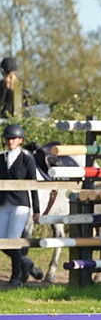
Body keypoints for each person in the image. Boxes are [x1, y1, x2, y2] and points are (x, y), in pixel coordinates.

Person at [0, 123, 40, 286]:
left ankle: (16, 276)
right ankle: (26, 262)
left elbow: (34, 185)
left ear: (20, 140)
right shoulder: (1, 158)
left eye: (13, 138)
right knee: (1, 240)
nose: (10, 141)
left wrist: (36, 209)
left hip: (20, 204)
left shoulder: (27, 159)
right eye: (8, 138)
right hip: (3, 203)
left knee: (12, 239)